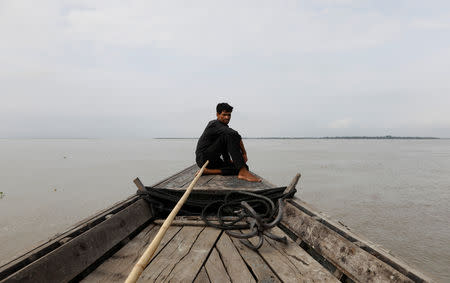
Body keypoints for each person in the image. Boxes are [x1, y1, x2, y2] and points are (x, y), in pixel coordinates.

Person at [195, 103, 261, 182]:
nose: (227, 117)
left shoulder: (224, 127)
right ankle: (242, 171)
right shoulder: (214, 124)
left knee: (244, 167)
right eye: (224, 114)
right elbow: (234, 134)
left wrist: (228, 161)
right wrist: (244, 153)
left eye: (229, 115)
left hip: (213, 161)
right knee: (229, 135)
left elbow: (226, 143)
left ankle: (208, 171)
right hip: (204, 159)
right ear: (217, 114)